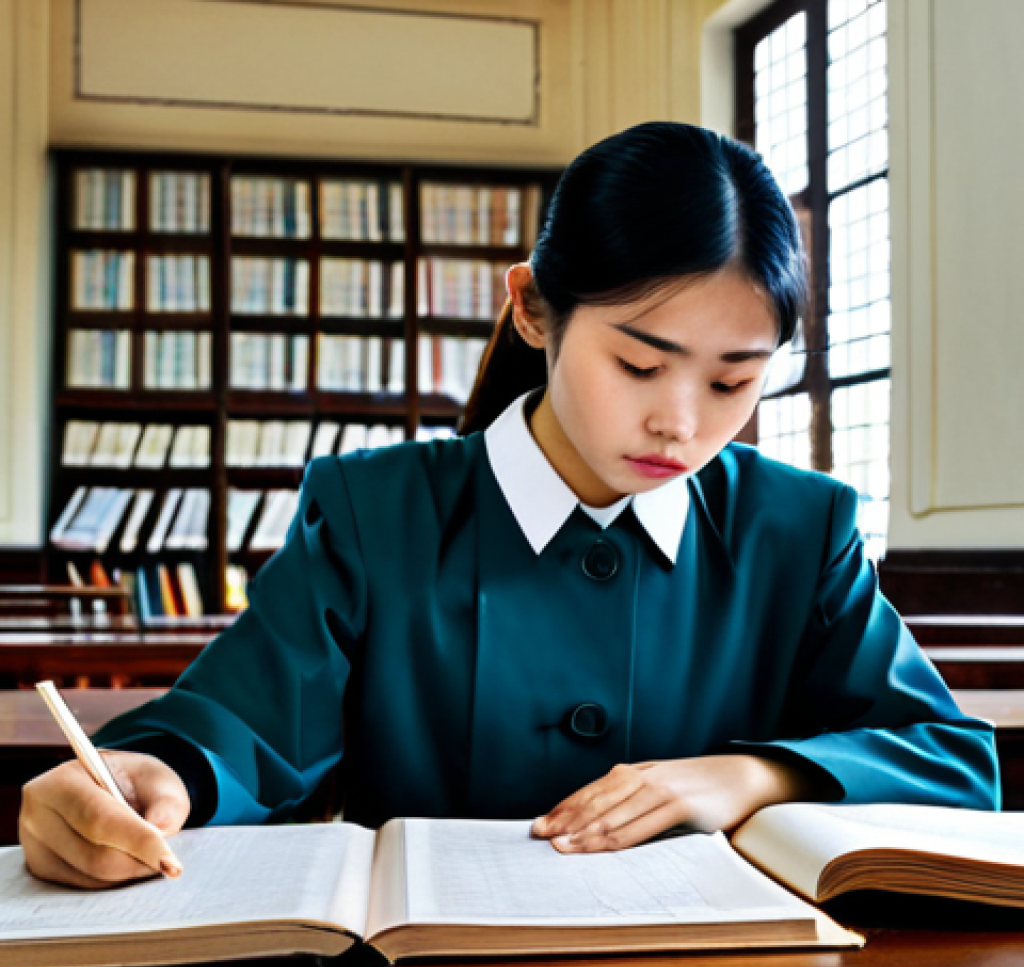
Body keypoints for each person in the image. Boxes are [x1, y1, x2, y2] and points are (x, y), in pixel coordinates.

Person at [20, 122, 999, 890]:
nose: (680, 424)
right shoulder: (373, 509)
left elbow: (949, 761)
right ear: (533, 308)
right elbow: (244, 723)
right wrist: (158, 779)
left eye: (733, 381)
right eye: (639, 362)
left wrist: (751, 775)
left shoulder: (801, 528)